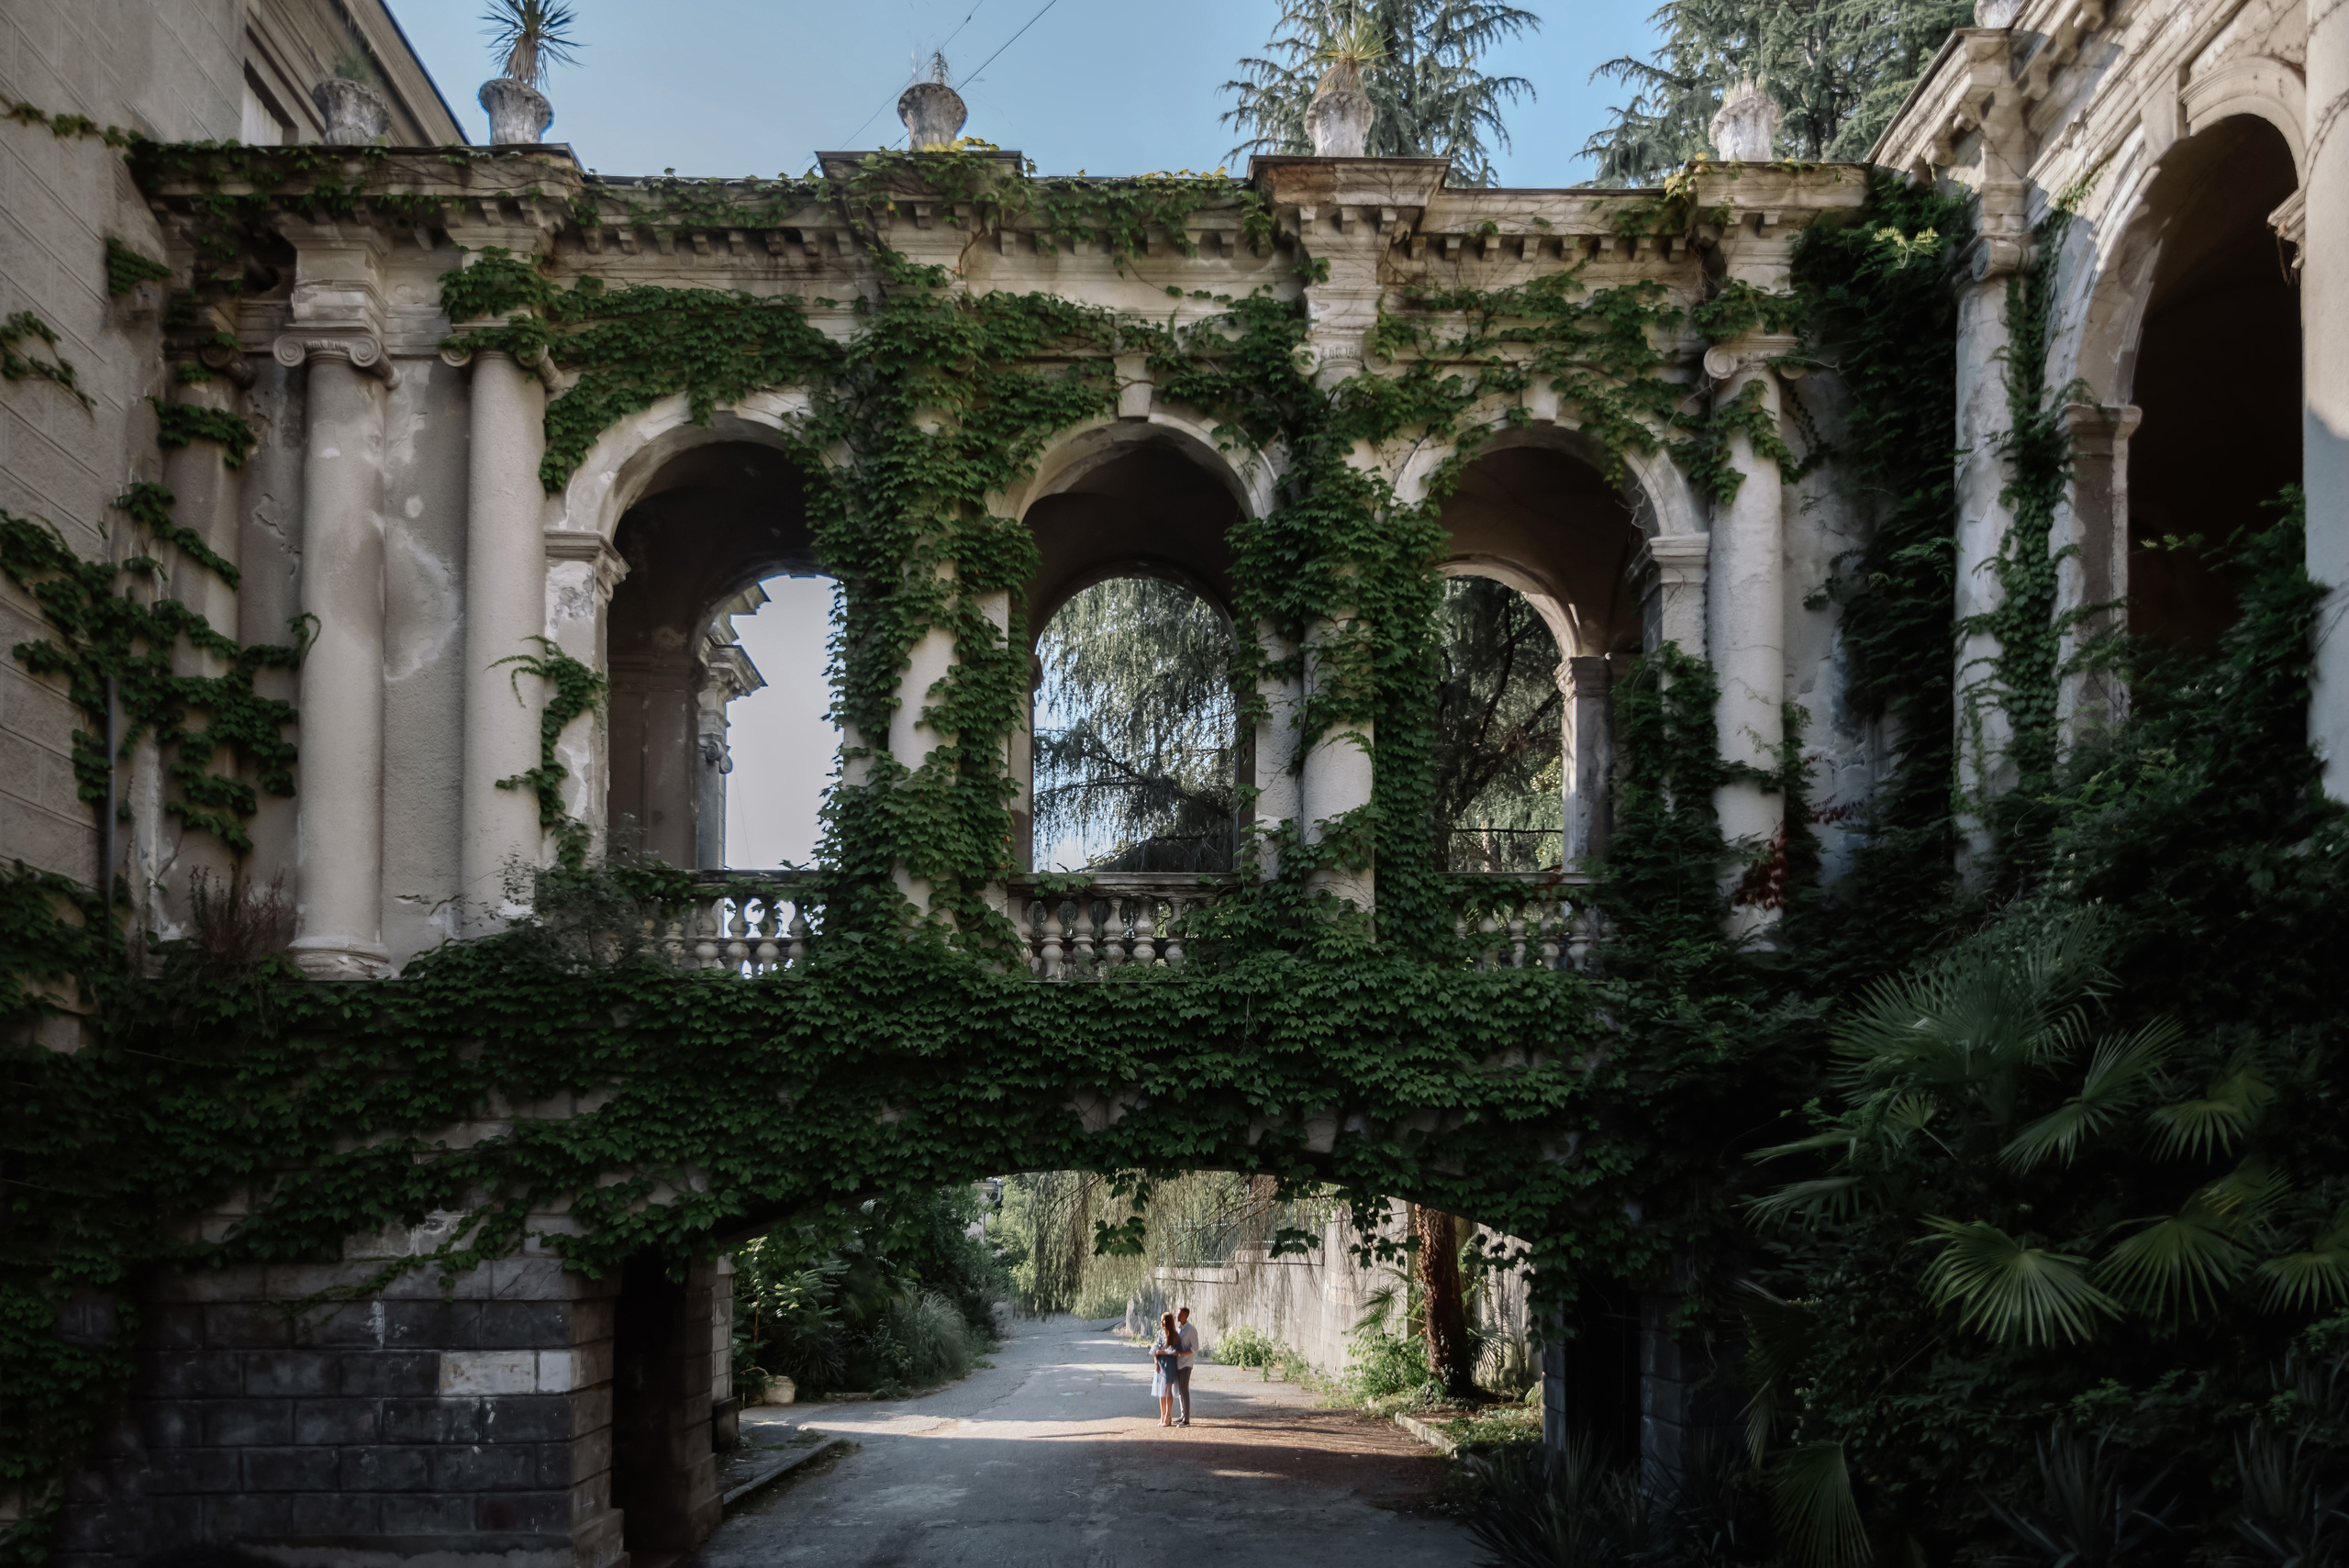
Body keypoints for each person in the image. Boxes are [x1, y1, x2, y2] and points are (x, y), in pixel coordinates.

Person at [1150, 1311, 1180, 1427]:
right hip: (1161, 1363)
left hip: (1169, 1363)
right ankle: (1162, 1415)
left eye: (1163, 1320)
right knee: (1160, 1391)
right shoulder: (1159, 1334)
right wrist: (1156, 1362)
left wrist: (1160, 1352)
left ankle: (1168, 1416)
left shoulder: (1174, 1335)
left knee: (1168, 1389)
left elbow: (1175, 1351)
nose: (1161, 1322)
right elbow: (1155, 1350)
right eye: (1161, 1319)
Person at [1172, 1306, 1199, 1427]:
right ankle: (1183, 1414)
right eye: (1177, 1314)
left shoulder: (1191, 1330)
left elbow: (1195, 1348)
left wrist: (1181, 1353)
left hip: (1186, 1363)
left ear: (1186, 1316)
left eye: (1180, 1315)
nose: (1178, 1316)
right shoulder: (1178, 1329)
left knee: (1184, 1389)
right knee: (1180, 1390)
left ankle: (1187, 1419)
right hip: (1177, 1363)